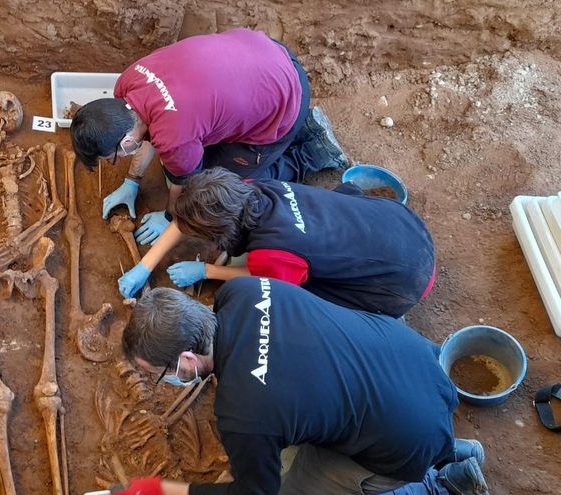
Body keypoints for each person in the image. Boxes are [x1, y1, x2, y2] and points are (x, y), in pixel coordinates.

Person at [113, 278, 489, 495]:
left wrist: (159, 489)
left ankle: (439, 486)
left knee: (296, 487)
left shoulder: (242, 413)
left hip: (405, 445)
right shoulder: (241, 291)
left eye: (162, 372)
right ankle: (452, 449)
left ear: (188, 360)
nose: (167, 381)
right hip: (422, 367)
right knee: (361, 408)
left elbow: (255, 494)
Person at [70, 28, 347, 245]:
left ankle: (313, 150)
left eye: (112, 158)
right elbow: (147, 129)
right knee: (196, 154)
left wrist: (170, 217)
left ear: (126, 143)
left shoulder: (174, 138)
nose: (112, 162)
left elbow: (182, 184)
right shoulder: (128, 82)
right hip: (264, 55)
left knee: (218, 186)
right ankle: (298, 129)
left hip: (286, 97)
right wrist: (132, 181)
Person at [118, 168, 436, 318]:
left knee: (296, 300)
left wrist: (206, 270)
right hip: (404, 224)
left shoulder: (274, 250)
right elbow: (191, 214)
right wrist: (144, 266)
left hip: (405, 281)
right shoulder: (251, 188)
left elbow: (263, 279)